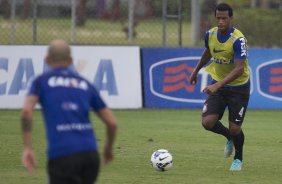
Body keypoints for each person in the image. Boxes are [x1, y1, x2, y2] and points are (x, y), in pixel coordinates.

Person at [21, 39, 117, 183]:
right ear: (71, 60)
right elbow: (112, 123)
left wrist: (28, 147)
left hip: (62, 154)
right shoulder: (85, 84)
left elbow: (26, 112)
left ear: (46, 59)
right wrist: (108, 148)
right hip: (90, 155)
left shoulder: (41, 81)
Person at [189, 3, 250, 171]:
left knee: (235, 127)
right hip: (219, 85)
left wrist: (217, 85)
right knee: (207, 123)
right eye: (218, 18)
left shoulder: (238, 39)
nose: (221, 22)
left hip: (239, 87)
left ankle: (238, 158)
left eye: (224, 18)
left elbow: (239, 69)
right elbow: (208, 52)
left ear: (231, 18)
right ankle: (229, 137)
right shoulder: (210, 34)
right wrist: (195, 71)